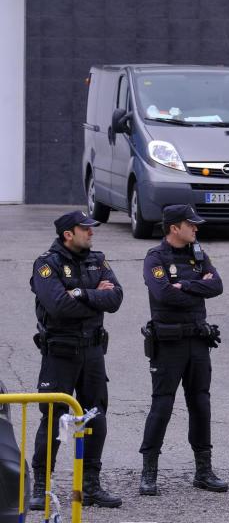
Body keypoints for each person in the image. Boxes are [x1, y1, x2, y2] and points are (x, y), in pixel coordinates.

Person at [29, 210, 123, 510]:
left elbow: (116, 298)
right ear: (68, 234)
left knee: (95, 415)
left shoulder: (98, 260)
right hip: (60, 352)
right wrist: (96, 296)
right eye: (86, 229)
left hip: (93, 351)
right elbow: (58, 307)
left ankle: (91, 486)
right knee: (54, 417)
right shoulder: (47, 264)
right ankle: (41, 488)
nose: (92, 233)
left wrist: (81, 293)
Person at [138, 204, 228, 496]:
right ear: (174, 228)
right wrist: (194, 285)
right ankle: (149, 472)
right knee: (162, 406)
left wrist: (184, 286)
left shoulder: (197, 253)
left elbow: (217, 286)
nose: (196, 228)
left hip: (198, 341)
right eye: (191, 224)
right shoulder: (155, 257)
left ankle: (203, 470)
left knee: (200, 405)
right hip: (169, 343)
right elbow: (163, 294)